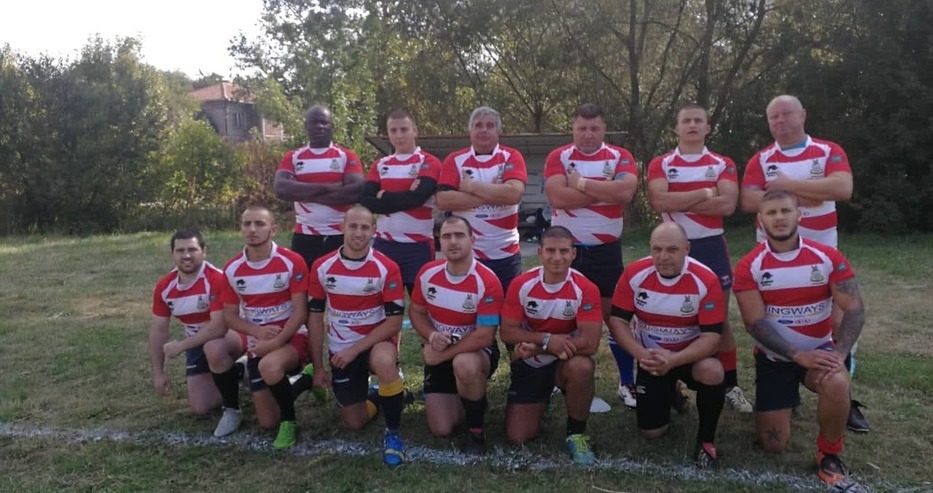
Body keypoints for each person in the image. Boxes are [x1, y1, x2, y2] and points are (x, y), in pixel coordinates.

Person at [740, 95, 867, 432]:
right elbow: (750, 199)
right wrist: (815, 193)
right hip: (773, 259)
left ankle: (844, 399)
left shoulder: (827, 150)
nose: (780, 121)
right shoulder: (761, 158)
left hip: (823, 257)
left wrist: (785, 187)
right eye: (773, 116)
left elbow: (843, 187)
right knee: (772, 324)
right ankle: (784, 390)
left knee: (838, 327)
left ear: (803, 115)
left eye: (786, 114)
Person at [733, 190, 865, 487]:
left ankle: (829, 453)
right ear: (760, 220)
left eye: (785, 211)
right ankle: (785, 399)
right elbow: (754, 324)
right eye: (771, 212)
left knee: (837, 381)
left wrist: (839, 353)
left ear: (799, 215)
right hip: (775, 359)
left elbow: (855, 309)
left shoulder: (827, 257)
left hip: (819, 351)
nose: (779, 217)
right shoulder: (749, 265)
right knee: (773, 444)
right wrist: (796, 355)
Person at [646, 102, 752, 413]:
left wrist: (679, 200)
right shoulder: (661, 163)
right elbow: (659, 201)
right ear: (676, 128)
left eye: (698, 120)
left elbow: (727, 205)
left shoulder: (722, 163)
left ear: (708, 127)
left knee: (718, 320)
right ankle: (672, 384)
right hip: (671, 246)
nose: (692, 125)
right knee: (668, 315)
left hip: (710, 246)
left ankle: (731, 384)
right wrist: (706, 193)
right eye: (686, 121)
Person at [543, 103, 640, 408]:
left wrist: (581, 184)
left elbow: (625, 193)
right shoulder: (558, 157)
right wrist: (604, 191)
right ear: (573, 129)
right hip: (566, 253)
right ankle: (556, 380)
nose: (588, 134)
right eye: (582, 128)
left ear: (604, 129)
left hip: (605, 253)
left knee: (616, 318)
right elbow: (557, 196)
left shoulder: (620, 156)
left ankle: (627, 382)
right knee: (560, 318)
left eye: (594, 128)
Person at [608, 222, 727, 469]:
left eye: (672, 249)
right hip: (651, 358)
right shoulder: (635, 274)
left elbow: (711, 338)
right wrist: (642, 355)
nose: (663, 256)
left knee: (713, 371)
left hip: (690, 357)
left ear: (687, 249)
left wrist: (673, 360)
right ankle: (670, 392)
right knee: (652, 432)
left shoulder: (706, 279)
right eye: (657, 249)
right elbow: (618, 322)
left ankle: (705, 441)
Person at [306, 205, 408, 468]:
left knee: (385, 361)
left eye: (365, 227)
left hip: (376, 342)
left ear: (374, 231)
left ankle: (393, 433)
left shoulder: (387, 267)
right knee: (354, 422)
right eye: (353, 226)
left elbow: (394, 322)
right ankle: (383, 394)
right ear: (342, 227)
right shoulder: (322, 266)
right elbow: (315, 318)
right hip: (341, 348)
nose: (359, 233)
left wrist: (355, 349)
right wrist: (318, 366)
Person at [499, 226, 603, 465]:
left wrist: (541, 347)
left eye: (564, 251)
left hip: (564, 359)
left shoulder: (586, 288)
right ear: (540, 252)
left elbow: (590, 344)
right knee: (518, 437)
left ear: (573, 254)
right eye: (551, 250)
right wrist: (547, 339)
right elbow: (507, 332)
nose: (557, 257)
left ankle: (576, 434)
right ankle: (543, 397)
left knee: (582, 366)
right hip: (532, 362)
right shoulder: (522, 284)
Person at [409, 215, 504, 454]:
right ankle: (472, 398)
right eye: (447, 236)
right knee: (441, 428)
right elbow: (416, 312)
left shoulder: (488, 281)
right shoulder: (427, 273)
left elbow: (484, 336)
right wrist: (432, 336)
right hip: (440, 350)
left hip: (474, 352)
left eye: (459, 235)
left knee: (465, 365)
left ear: (472, 239)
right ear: (439, 241)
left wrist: (441, 355)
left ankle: (476, 430)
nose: (453, 241)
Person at [219, 206, 309, 449]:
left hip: (291, 336)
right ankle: (305, 379)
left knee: (269, 366)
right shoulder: (232, 268)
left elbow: (300, 312)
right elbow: (230, 316)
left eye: (259, 223)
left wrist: (276, 341)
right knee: (267, 421)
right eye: (246, 224)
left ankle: (289, 422)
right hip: (258, 341)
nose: (252, 229)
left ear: (273, 229)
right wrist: (257, 332)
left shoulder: (292, 261)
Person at [148, 229, 244, 437]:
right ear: (172, 254)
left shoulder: (217, 278)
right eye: (180, 250)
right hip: (197, 344)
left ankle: (233, 407)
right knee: (200, 407)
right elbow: (158, 330)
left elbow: (218, 328)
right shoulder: (165, 286)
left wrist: (180, 346)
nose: (186, 255)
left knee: (214, 348)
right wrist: (158, 373)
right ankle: (237, 373)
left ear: (204, 252)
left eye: (192, 249)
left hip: (231, 337)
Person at [436, 106, 527, 293]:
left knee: (507, 309)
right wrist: (494, 193)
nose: (484, 130)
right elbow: (443, 200)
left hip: (505, 253)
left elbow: (514, 195)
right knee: (468, 306)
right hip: (468, 254)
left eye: (490, 125)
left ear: (498, 131)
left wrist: (472, 187)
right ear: (470, 131)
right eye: (478, 125)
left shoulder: (512, 156)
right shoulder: (455, 159)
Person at [359, 109, 442, 295]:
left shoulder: (429, 162)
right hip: (384, 243)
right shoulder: (381, 164)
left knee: (420, 302)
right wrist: (407, 194)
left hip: (418, 246)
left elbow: (418, 198)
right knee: (383, 301)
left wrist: (384, 195)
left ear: (415, 131)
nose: (398, 135)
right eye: (393, 130)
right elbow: (366, 201)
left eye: (404, 129)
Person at [273, 104, 364, 270]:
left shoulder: (346, 156)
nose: (320, 126)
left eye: (324, 122)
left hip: (340, 234)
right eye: (314, 122)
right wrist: (328, 186)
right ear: (306, 126)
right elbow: (281, 189)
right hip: (305, 235)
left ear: (331, 125)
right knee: (307, 283)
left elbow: (355, 192)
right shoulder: (293, 157)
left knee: (339, 282)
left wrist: (305, 195)